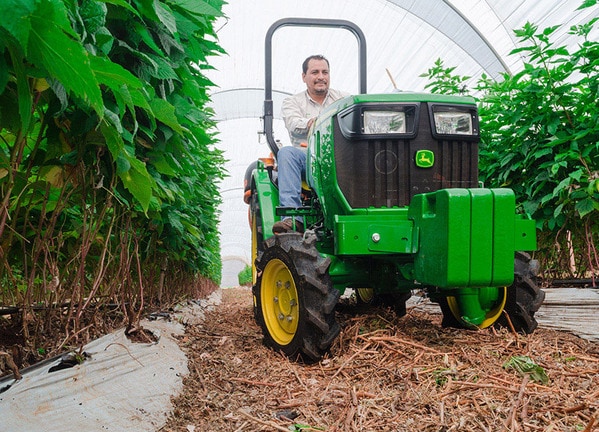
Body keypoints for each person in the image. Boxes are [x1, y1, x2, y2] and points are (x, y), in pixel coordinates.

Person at [272, 55, 349, 234]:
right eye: (315, 72)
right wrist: (316, 122)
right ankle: (293, 218)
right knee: (286, 153)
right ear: (304, 77)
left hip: (341, 157)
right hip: (308, 158)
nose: (321, 76)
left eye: (325, 72)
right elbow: (293, 124)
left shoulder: (344, 99)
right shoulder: (292, 102)